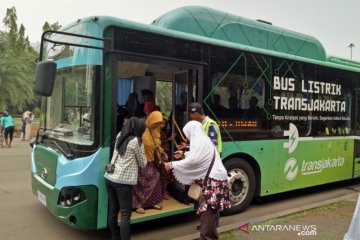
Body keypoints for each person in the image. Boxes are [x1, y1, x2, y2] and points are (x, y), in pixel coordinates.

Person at [164, 121, 230, 240]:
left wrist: (173, 164)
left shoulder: (199, 141)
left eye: (187, 133)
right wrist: (184, 153)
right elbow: (198, 155)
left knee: (207, 215)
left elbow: (194, 160)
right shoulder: (203, 140)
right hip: (215, 180)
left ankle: (207, 237)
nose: (187, 137)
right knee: (208, 213)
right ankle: (210, 236)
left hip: (213, 181)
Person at [104, 117, 147, 240]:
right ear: (138, 129)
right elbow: (143, 164)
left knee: (113, 210)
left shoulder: (119, 135)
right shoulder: (136, 141)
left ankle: (115, 237)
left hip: (110, 177)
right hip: (123, 182)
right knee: (125, 214)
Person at [132, 111, 165, 214]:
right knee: (140, 185)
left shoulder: (156, 130)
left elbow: (157, 144)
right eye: (155, 123)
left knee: (156, 179)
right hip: (141, 162)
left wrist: (161, 151)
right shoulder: (141, 130)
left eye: (159, 123)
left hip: (152, 162)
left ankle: (151, 202)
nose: (157, 126)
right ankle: (138, 205)